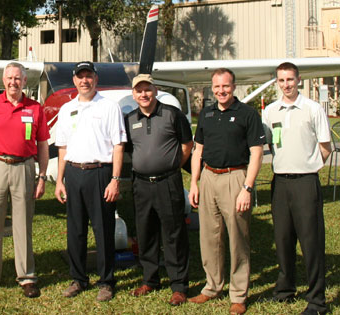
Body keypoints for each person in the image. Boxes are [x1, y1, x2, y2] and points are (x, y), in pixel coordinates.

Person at [187, 68, 264, 315]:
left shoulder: (248, 114)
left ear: (234, 86)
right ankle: (212, 287)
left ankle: (239, 294)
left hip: (235, 178)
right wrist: (194, 183)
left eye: (226, 86)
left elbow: (257, 153)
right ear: (212, 87)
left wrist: (247, 188)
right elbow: (198, 150)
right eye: (217, 87)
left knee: (237, 237)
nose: (221, 91)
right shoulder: (207, 114)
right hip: (209, 177)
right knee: (209, 236)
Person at [0, 62, 49, 298]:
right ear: (3, 80)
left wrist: (43, 176)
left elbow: (43, 145)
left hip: (24, 167)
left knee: (22, 224)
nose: (13, 82)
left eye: (18, 78)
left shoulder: (35, 108)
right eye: (9, 78)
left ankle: (26, 277)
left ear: (25, 81)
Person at [54, 61, 127, 302]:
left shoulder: (109, 107)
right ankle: (78, 278)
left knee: (103, 229)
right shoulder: (66, 109)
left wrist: (115, 179)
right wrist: (60, 180)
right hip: (74, 173)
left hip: (100, 173)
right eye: (80, 77)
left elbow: (118, 146)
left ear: (95, 78)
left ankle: (106, 281)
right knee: (75, 230)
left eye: (88, 76)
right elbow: (62, 147)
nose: (84, 80)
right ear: (74, 80)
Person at [263, 62, 331, 315]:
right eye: (281, 80)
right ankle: (285, 290)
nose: (286, 85)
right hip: (280, 182)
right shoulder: (270, 111)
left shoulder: (312, 109)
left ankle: (317, 300)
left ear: (298, 80)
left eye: (290, 79)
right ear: (277, 82)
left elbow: (326, 147)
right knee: (283, 239)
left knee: (311, 241)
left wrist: (309, 166)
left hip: (305, 182)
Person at [124, 74, 193, 305]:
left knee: (173, 234)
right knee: (145, 233)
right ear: (133, 94)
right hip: (141, 184)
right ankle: (149, 280)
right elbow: (131, 149)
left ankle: (179, 285)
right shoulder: (130, 119)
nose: (143, 94)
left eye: (147, 90)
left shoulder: (172, 114)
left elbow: (187, 145)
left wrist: (172, 166)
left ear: (155, 90)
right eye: (139, 91)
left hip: (168, 182)